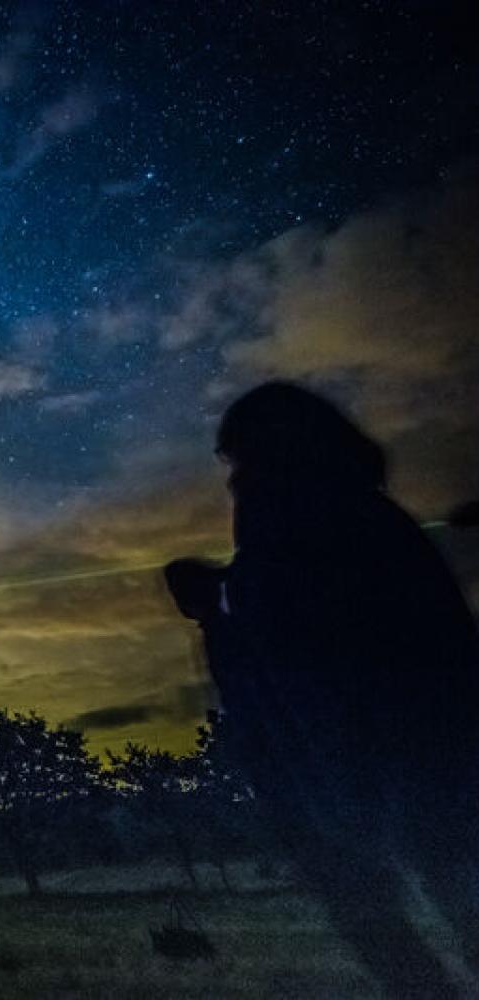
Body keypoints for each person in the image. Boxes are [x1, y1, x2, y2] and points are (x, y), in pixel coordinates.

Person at [166, 381, 479, 997]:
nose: (233, 482)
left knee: (431, 902)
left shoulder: (302, 517)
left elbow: (290, 619)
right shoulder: (366, 517)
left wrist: (219, 605)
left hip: (376, 767)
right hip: (397, 766)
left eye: (237, 462)